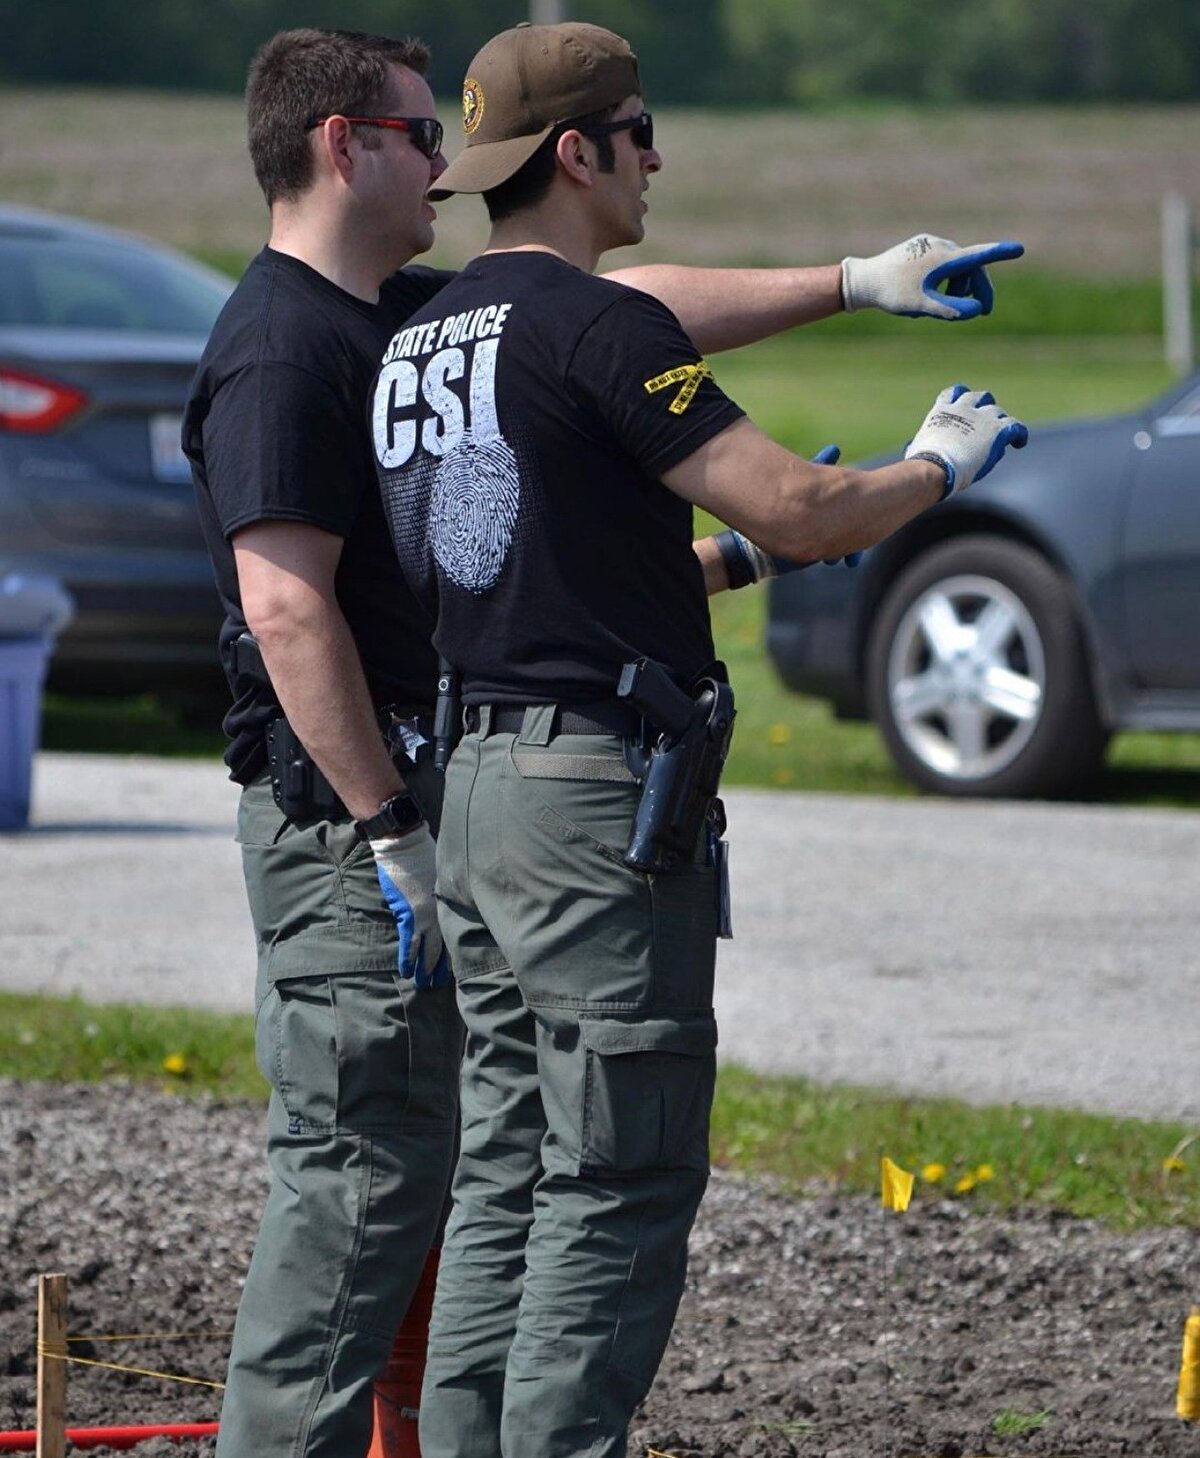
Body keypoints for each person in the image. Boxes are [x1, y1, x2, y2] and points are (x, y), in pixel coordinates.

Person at [368, 21, 1028, 1458]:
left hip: (473, 782)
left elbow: (599, 440)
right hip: (587, 798)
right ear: (578, 152)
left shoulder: (426, 332)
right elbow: (792, 504)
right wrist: (933, 469)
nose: (659, 155)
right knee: (618, 1171)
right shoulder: (596, 329)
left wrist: (856, 282)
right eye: (641, 128)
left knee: (509, 1167)